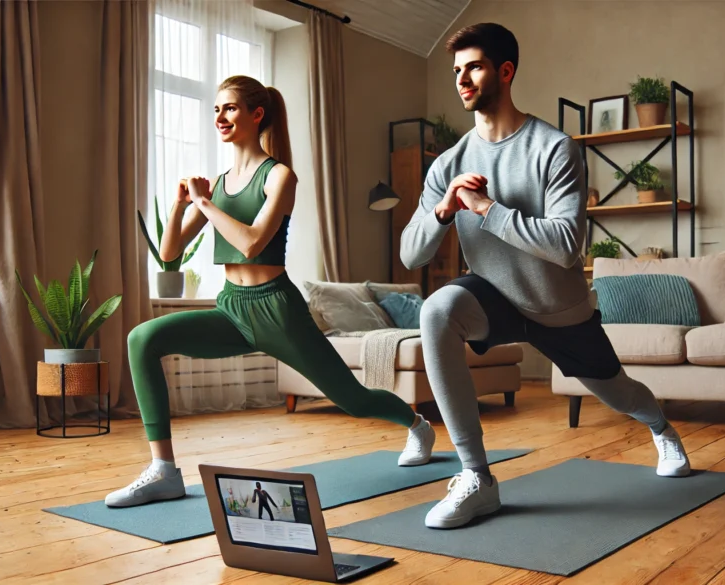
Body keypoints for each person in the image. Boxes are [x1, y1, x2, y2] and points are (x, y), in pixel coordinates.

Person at [400, 23, 691, 530]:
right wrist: (444, 210)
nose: (462, 80)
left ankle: (661, 428)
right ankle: (477, 477)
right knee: (437, 309)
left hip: (560, 308)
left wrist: (487, 208)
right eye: (456, 71)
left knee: (619, 393)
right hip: (493, 294)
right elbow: (410, 254)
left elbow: (564, 247)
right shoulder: (447, 165)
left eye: (474, 67)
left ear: (505, 71)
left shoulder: (555, 148)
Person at [105, 75, 437, 508]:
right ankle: (164, 470)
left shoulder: (279, 176)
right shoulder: (221, 183)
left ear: (256, 114)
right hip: (231, 308)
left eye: (229, 108)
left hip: (277, 309)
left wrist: (205, 205)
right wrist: (180, 203)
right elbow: (168, 254)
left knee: (353, 400)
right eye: (216, 110)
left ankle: (417, 425)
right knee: (142, 338)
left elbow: (251, 243)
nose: (220, 117)